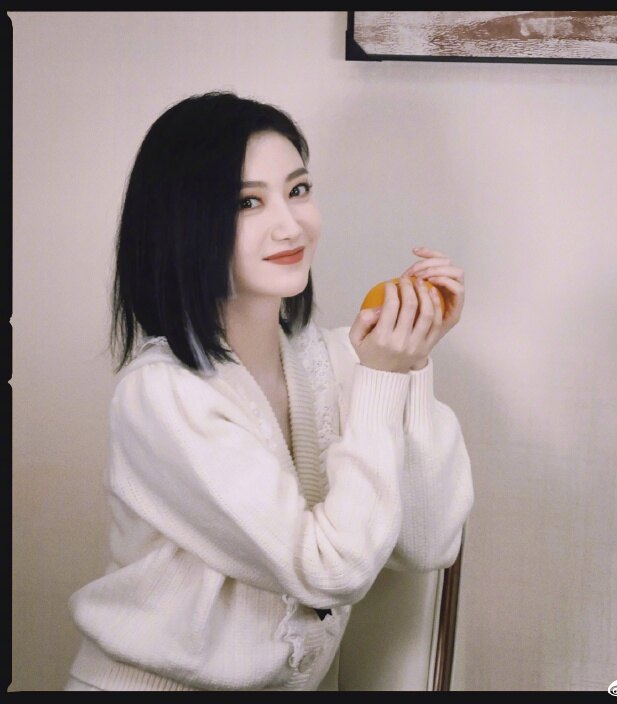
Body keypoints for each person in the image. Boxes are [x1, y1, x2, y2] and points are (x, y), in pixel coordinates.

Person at [64, 91, 474, 691]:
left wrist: (409, 367)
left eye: (298, 190)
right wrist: (383, 377)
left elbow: (428, 543)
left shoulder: (338, 359)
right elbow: (329, 571)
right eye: (248, 202)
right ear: (184, 221)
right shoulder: (162, 395)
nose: (290, 224)